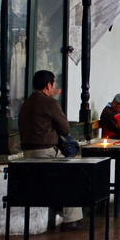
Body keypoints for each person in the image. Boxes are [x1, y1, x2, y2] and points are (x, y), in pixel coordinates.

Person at [18, 69, 85, 231]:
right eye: (53, 84)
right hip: (46, 152)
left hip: (27, 153)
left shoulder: (26, 103)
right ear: (49, 85)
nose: (54, 88)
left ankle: (60, 208)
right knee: (74, 174)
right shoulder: (49, 102)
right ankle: (70, 220)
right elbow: (64, 128)